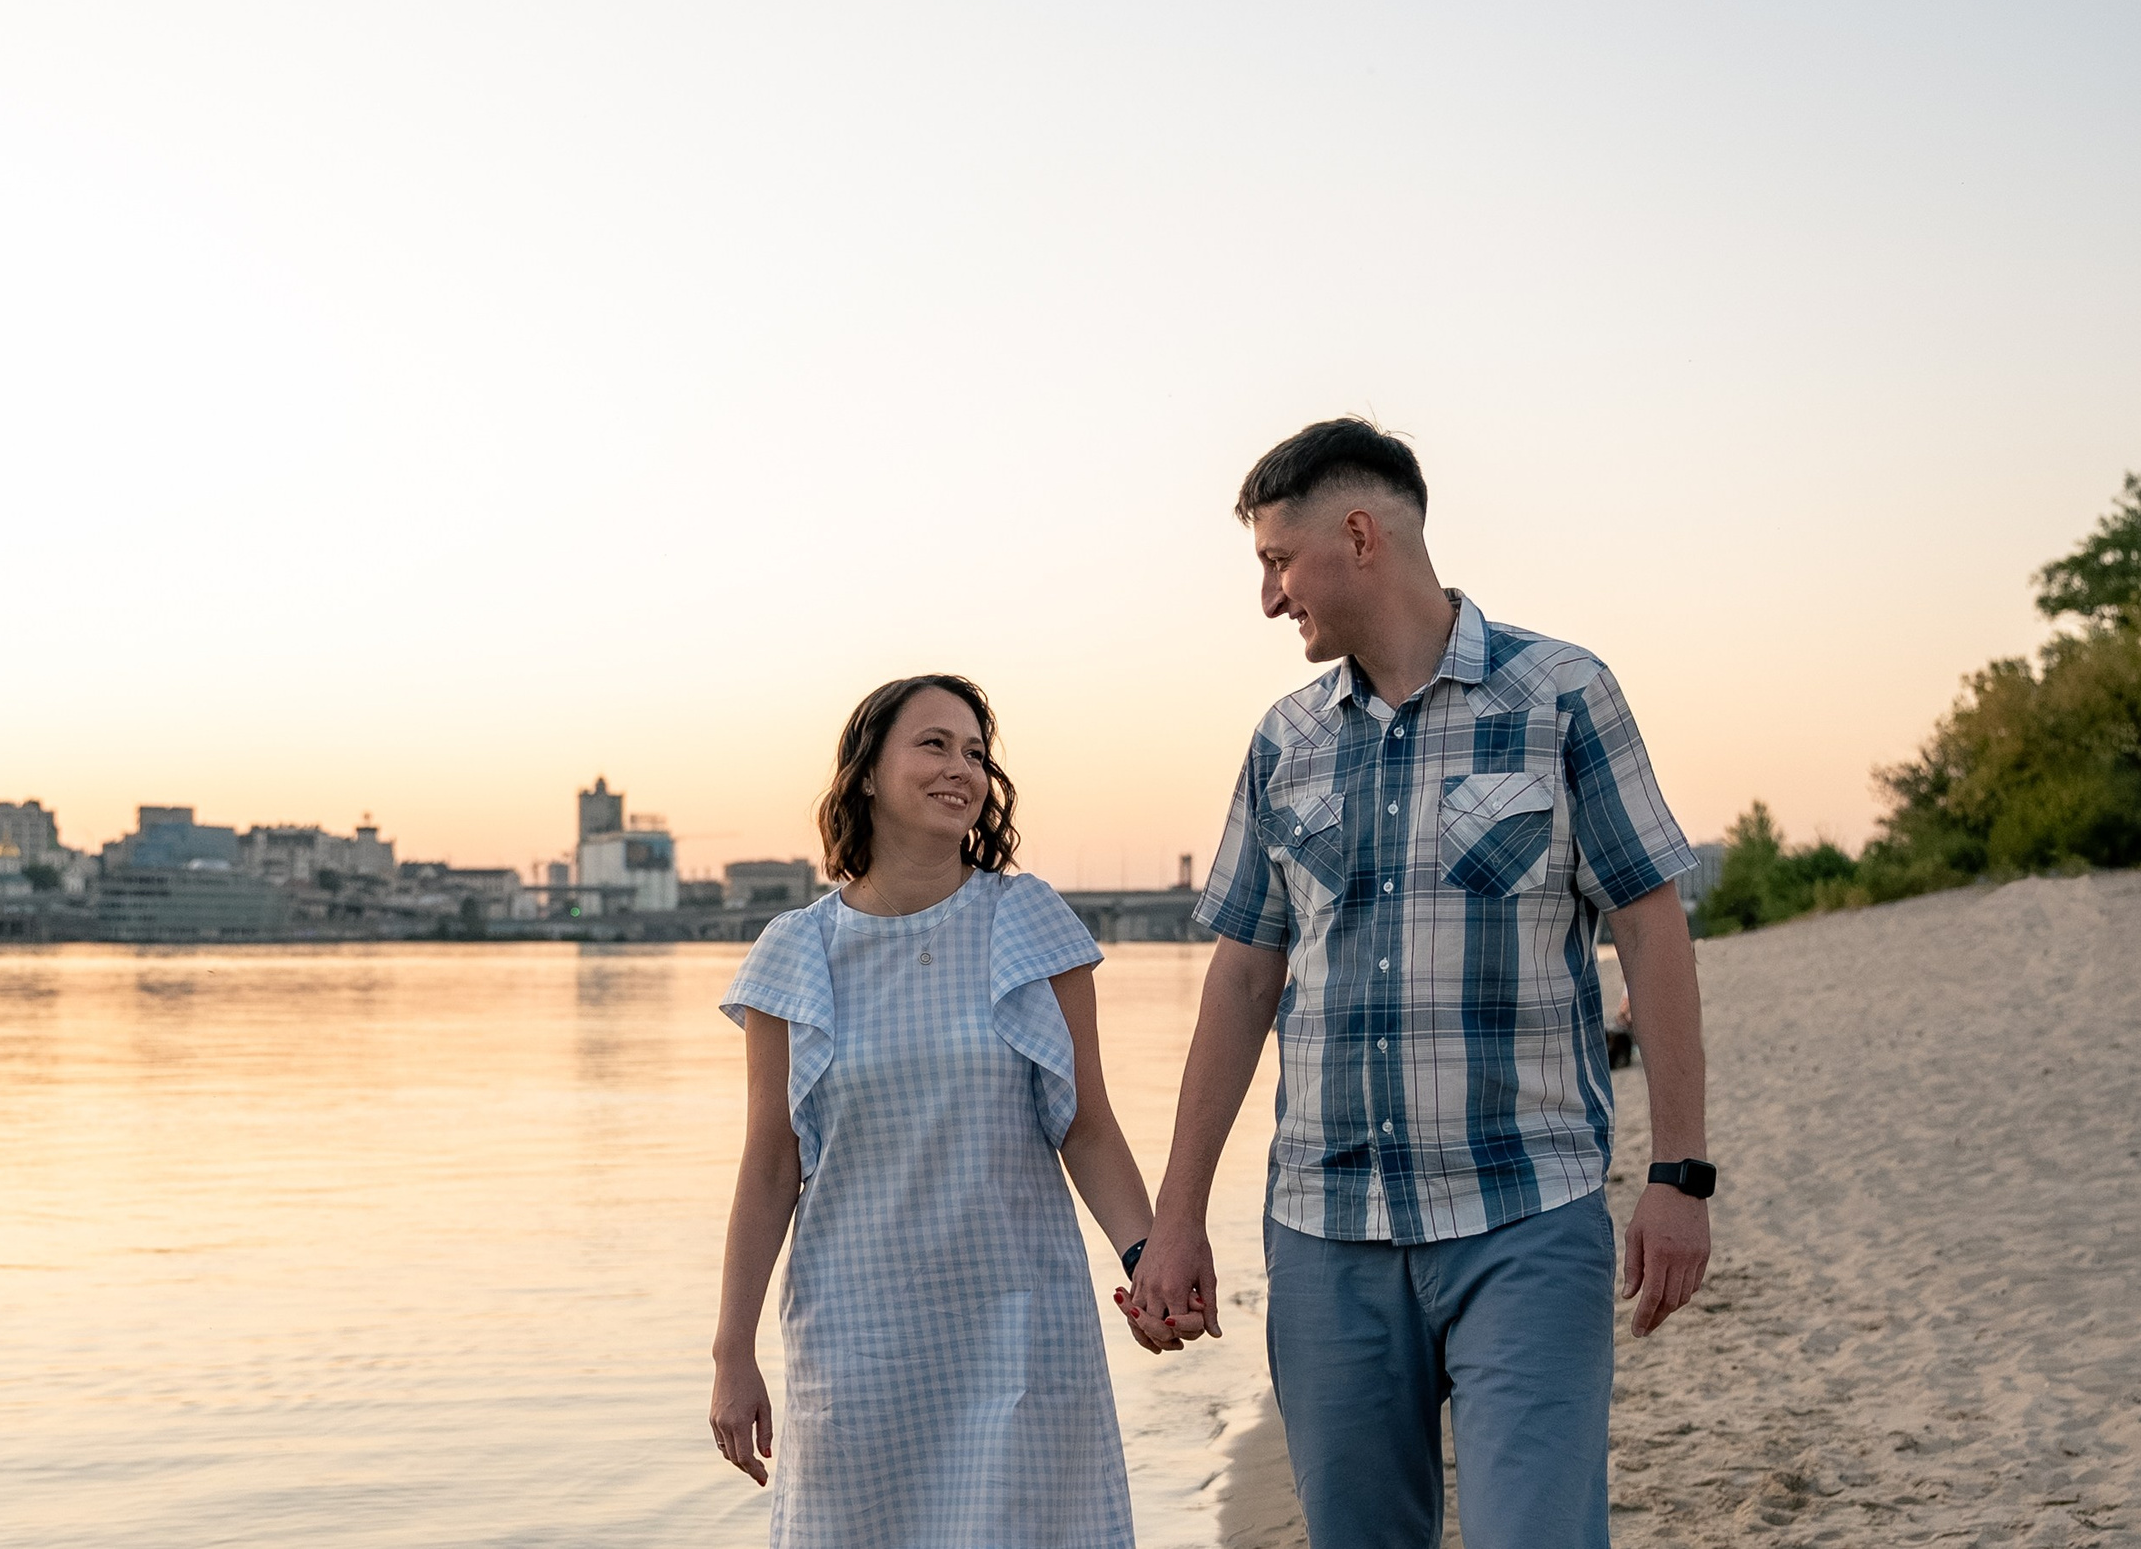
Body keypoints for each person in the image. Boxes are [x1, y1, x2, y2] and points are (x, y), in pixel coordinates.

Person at [1128, 420, 1716, 1549]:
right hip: (1323, 1233)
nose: (1267, 598)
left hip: (1522, 1220)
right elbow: (1244, 978)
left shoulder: (1561, 695)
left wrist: (1678, 1175)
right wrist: (1176, 1217)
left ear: (1358, 535)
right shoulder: (1283, 742)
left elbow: (1649, 927)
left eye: (1275, 560)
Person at [706, 674, 1185, 1549]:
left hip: (1019, 1327)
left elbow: (1086, 1123)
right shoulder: (796, 952)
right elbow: (770, 1163)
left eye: (975, 752)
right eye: (933, 743)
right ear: (864, 773)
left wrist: (1151, 1258)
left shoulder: (1028, 921)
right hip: (856, 1342)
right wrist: (731, 1353)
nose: (961, 767)